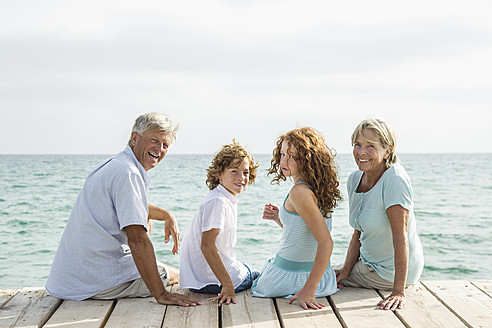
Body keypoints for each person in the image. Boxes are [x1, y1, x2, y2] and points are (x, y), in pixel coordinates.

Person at [46, 112, 200, 307]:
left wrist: (166, 215)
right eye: (154, 140)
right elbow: (137, 241)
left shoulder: (118, 165)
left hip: (70, 279)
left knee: (149, 226)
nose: (159, 149)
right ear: (134, 138)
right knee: (173, 274)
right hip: (92, 282)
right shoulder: (129, 174)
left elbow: (131, 206)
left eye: (165, 145)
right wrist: (161, 294)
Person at [334, 118, 424, 311]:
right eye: (357, 145)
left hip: (390, 272)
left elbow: (401, 238)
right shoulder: (354, 179)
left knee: (317, 277)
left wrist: (398, 292)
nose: (361, 152)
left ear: (388, 150)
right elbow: (358, 233)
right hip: (367, 263)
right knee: (327, 273)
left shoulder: (395, 179)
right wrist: (346, 270)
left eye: (371, 146)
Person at [252, 127, 342, 310]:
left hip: (288, 280)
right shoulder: (317, 188)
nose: (284, 160)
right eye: (283, 154)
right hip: (325, 280)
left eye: (292, 156)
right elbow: (304, 235)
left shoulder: (299, 192)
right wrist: (280, 218)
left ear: (308, 159)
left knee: (248, 277)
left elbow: (326, 242)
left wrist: (309, 289)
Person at [179, 140, 260, 305]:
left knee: (250, 268)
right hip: (208, 281)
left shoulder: (222, 197)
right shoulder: (218, 202)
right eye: (234, 171)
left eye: (245, 172)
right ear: (219, 174)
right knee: (261, 275)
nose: (241, 178)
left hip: (201, 277)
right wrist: (227, 284)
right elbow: (206, 246)